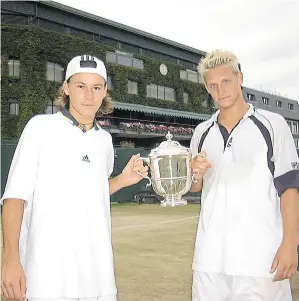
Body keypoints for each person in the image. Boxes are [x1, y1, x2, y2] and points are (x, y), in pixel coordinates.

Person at [0, 55, 148, 301]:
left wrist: (122, 180)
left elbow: (92, 190)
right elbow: (15, 196)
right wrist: (10, 260)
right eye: (81, 86)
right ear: (66, 88)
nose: (89, 95)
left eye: (96, 87)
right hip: (46, 276)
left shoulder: (105, 141)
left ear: (104, 92)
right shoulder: (39, 128)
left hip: (97, 276)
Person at [190, 49, 299, 301]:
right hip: (209, 260)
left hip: (260, 260)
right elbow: (196, 188)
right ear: (207, 88)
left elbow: (289, 188)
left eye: (226, 81)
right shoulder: (202, 132)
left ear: (240, 78)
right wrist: (196, 174)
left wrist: (291, 244)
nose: (221, 90)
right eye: (213, 85)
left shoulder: (273, 124)